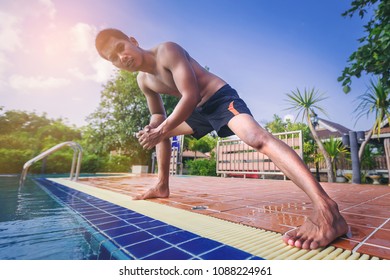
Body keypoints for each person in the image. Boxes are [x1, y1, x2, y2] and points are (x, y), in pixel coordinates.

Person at [95, 28, 349, 250]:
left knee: (255, 138)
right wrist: (152, 128)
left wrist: (161, 128)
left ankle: (326, 208)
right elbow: (157, 113)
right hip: (196, 111)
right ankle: (162, 185)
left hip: (217, 98)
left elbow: (190, 94)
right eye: (114, 58)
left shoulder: (167, 51)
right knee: (159, 129)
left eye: (121, 48)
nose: (122, 57)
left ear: (132, 40)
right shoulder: (143, 81)